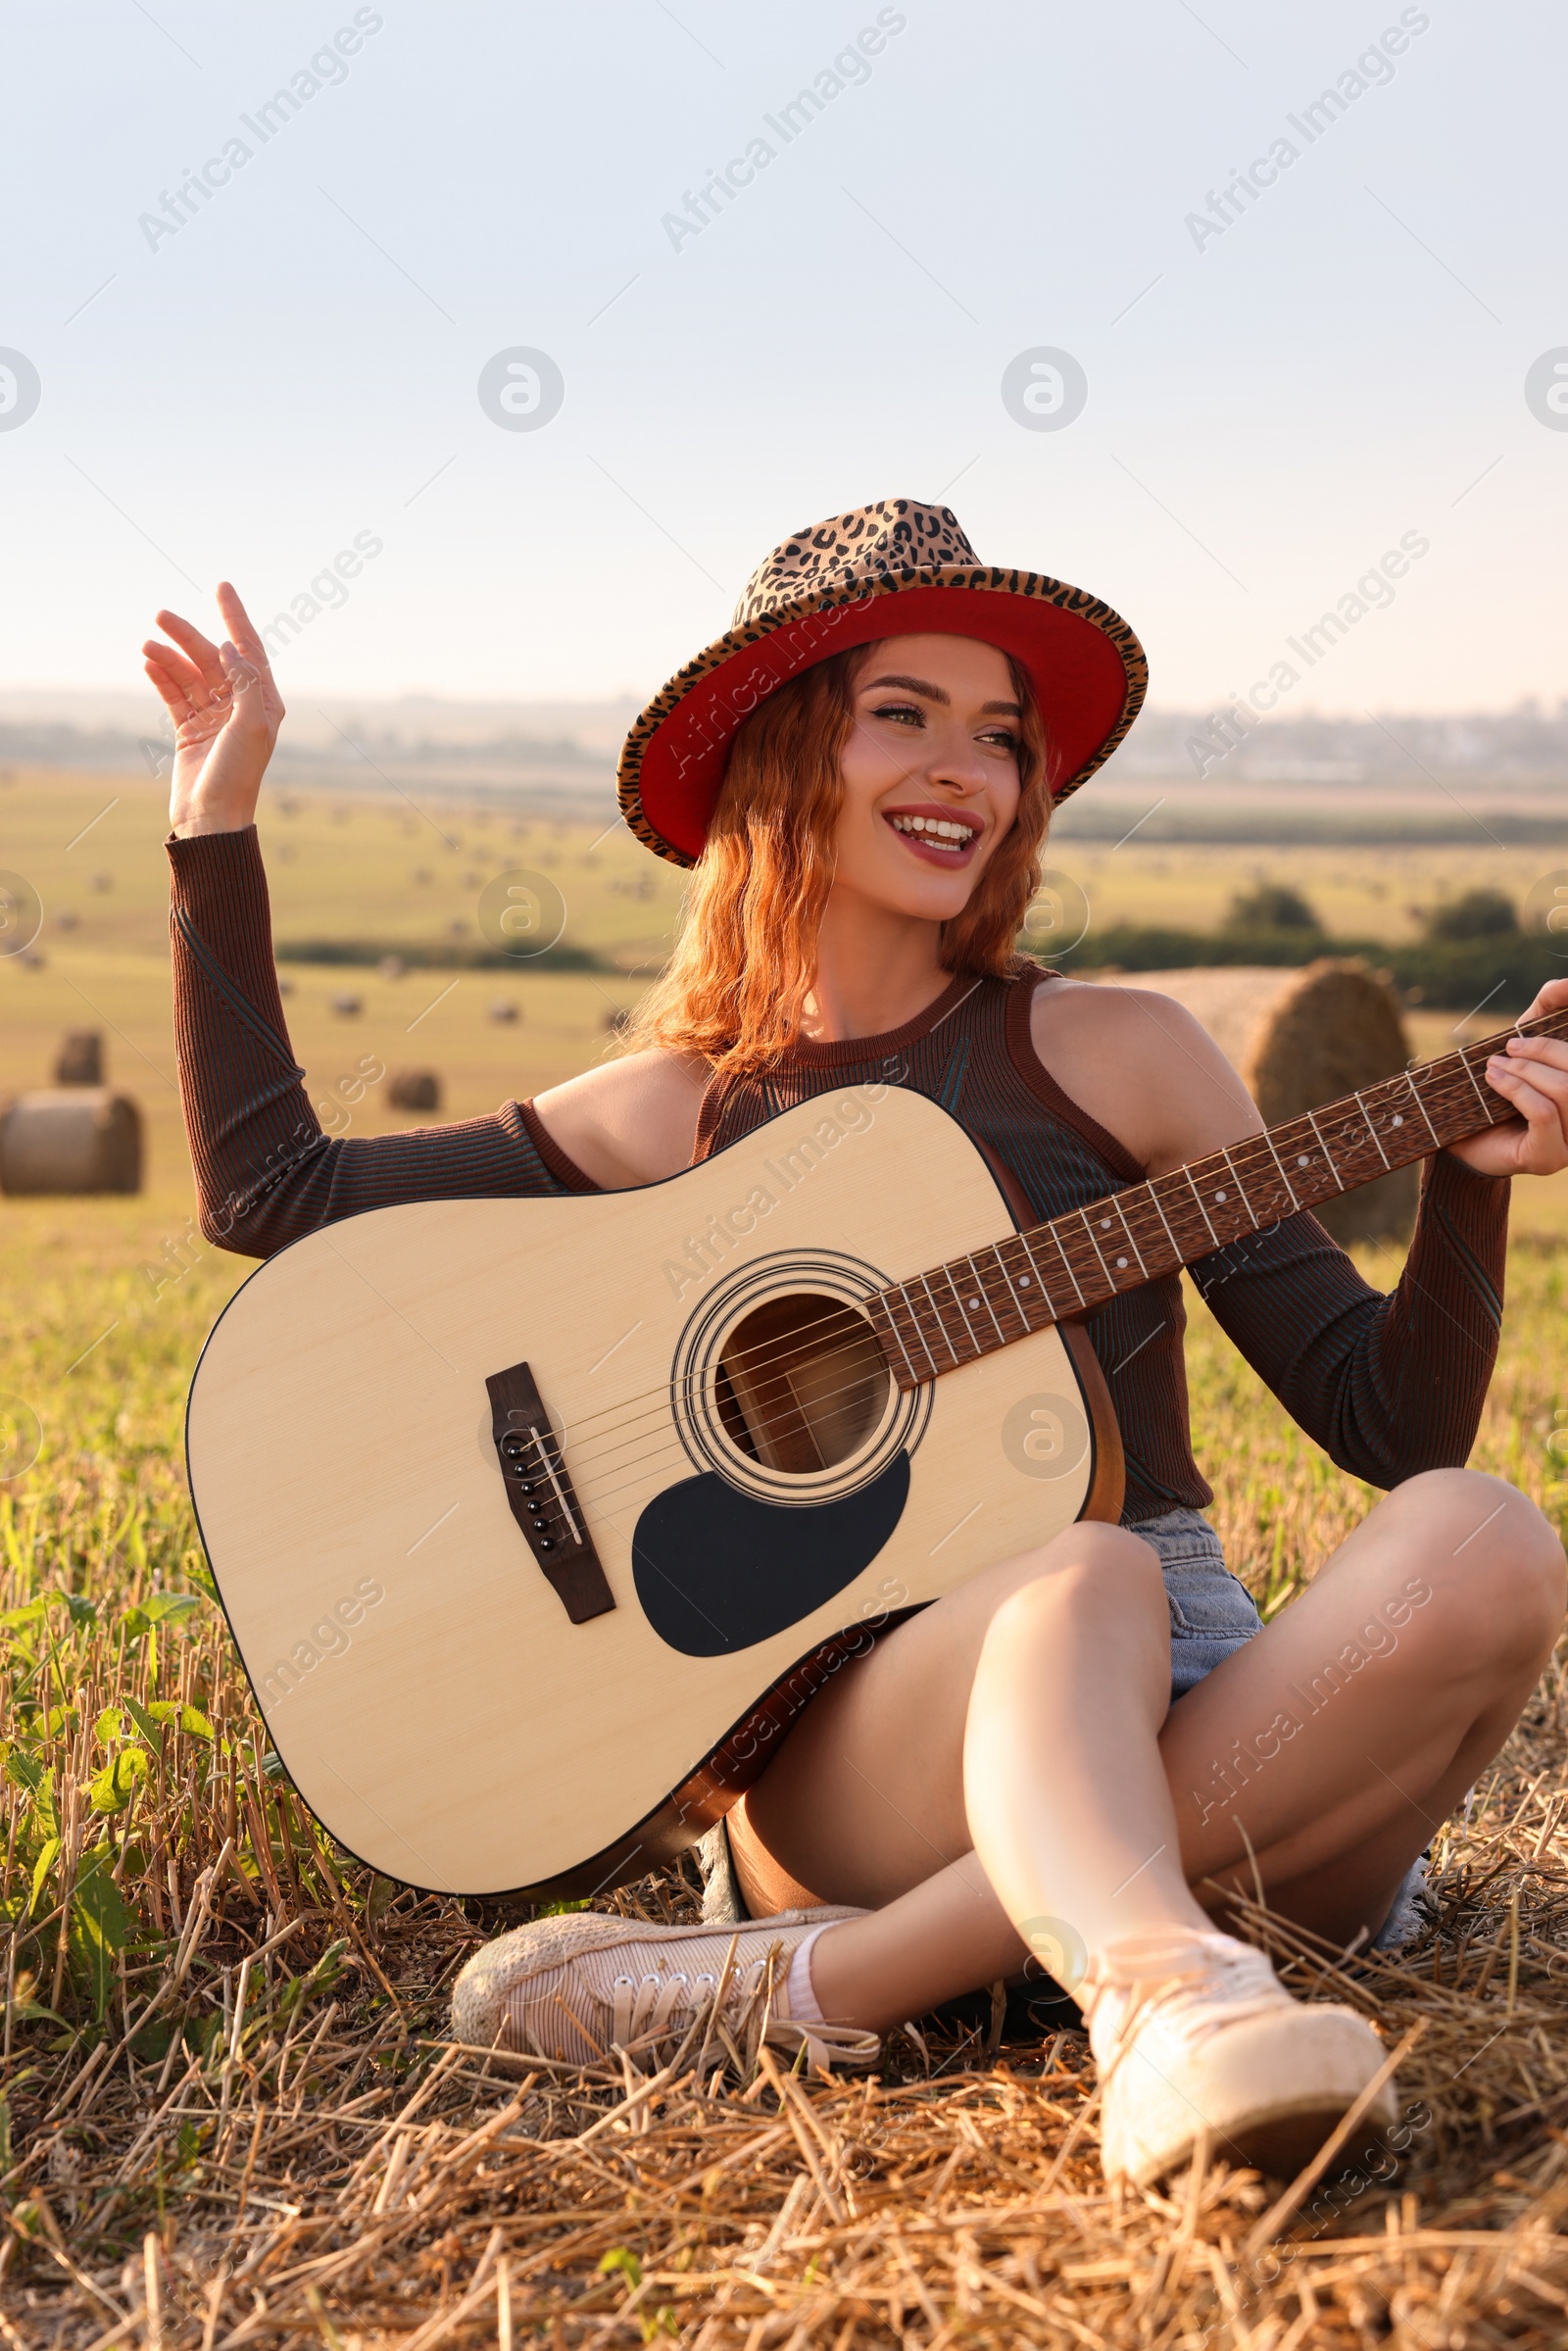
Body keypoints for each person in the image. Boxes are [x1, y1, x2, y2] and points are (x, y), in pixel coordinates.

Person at [150, 499, 1568, 2189]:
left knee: (1481, 1535)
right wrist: (213, 817)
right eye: (904, 713)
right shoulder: (676, 1111)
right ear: (782, 751)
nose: (966, 767)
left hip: (1201, 1693)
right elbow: (273, 1191)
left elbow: (1389, 1424)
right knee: (1081, 1572)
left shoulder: (1119, 1051)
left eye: (1002, 735)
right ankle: (1169, 1991)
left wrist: (1472, 1186)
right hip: (860, 1735)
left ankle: (811, 1986)